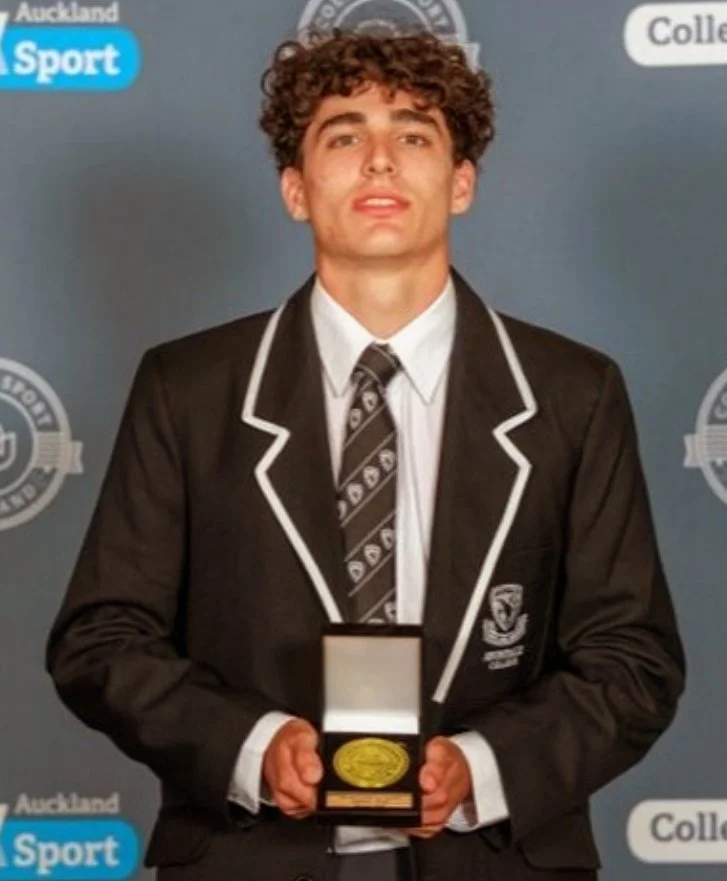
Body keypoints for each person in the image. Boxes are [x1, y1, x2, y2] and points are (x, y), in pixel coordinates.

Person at [46, 27, 685, 881]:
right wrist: (255, 745)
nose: (379, 160)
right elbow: (102, 638)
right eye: (343, 135)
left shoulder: (574, 392)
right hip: (254, 856)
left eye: (413, 134)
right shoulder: (187, 389)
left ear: (460, 183)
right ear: (294, 189)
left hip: (490, 858)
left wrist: (481, 769)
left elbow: (631, 660)